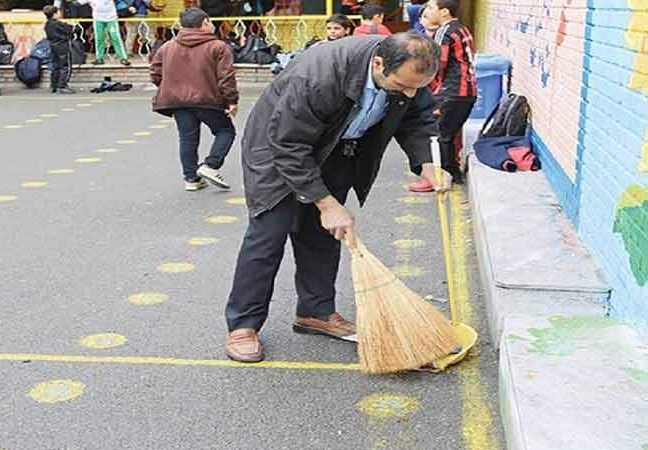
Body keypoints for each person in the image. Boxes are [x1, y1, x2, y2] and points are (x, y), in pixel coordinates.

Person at [223, 33, 453, 363]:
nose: (410, 94)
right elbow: (287, 144)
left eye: (417, 87)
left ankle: (315, 312)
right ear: (378, 64)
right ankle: (243, 325)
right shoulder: (319, 75)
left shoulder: (408, 73)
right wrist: (326, 202)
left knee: (322, 235)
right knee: (268, 235)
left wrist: (427, 164)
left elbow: (417, 117)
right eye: (402, 86)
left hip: (336, 150)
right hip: (278, 150)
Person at [150, 8, 238, 192]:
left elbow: (155, 73)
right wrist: (231, 100)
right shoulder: (219, 47)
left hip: (177, 100)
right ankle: (211, 165)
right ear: (205, 22)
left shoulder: (167, 46)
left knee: (187, 138)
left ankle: (191, 178)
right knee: (225, 130)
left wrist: (170, 86)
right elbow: (226, 77)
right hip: (208, 98)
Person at [409, 0, 476, 191]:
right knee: (447, 134)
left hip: (451, 92)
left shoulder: (444, 32)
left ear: (444, 12)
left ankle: (438, 177)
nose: (427, 11)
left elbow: (437, 66)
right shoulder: (461, 29)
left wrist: (424, 90)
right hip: (465, 92)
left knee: (436, 135)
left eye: (431, 7)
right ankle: (452, 173)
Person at [75, 0, 131, 66]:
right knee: (99, 39)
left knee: (116, 38)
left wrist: (129, 6)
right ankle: (99, 58)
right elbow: (78, 3)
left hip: (111, 19)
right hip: (98, 19)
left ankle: (123, 58)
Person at [43, 5, 75, 94]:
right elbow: (70, 30)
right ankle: (62, 85)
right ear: (55, 14)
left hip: (52, 46)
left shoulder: (47, 24)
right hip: (62, 46)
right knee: (65, 66)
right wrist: (69, 25)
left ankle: (54, 85)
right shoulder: (57, 23)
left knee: (55, 66)